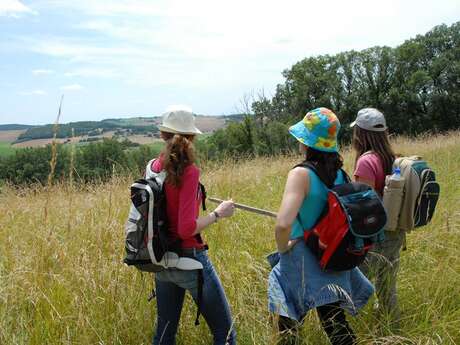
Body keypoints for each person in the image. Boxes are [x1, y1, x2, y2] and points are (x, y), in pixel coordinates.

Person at [268, 107, 374, 345]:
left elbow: (283, 224)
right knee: (335, 323)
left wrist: (284, 250)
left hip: (302, 258)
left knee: (289, 325)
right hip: (331, 254)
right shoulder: (341, 175)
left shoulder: (300, 175)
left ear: (307, 142)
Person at [151, 108, 236, 345]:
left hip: (161, 258)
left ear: (162, 135)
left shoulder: (154, 168)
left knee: (165, 335)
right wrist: (219, 214)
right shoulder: (189, 172)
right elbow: (186, 228)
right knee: (225, 334)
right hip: (190, 258)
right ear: (192, 138)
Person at [350, 108, 403, 324]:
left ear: (361, 134)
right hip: (396, 233)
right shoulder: (393, 158)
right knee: (387, 289)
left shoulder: (366, 162)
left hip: (374, 238)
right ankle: (393, 330)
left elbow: (364, 206)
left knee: (354, 290)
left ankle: (354, 331)